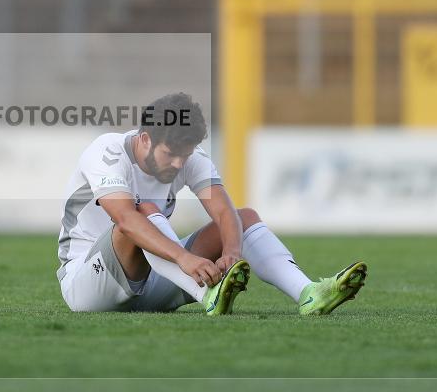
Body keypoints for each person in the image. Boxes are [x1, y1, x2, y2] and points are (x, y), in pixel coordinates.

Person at [57, 92, 367, 315]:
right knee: (144, 212)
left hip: (155, 281)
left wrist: (231, 252)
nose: (179, 164)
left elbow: (223, 211)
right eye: (170, 154)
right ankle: (208, 294)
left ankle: (308, 293)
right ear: (145, 138)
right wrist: (185, 258)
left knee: (243, 218)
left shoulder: (188, 156)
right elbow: (126, 220)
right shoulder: (106, 152)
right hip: (89, 285)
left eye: (185, 155)